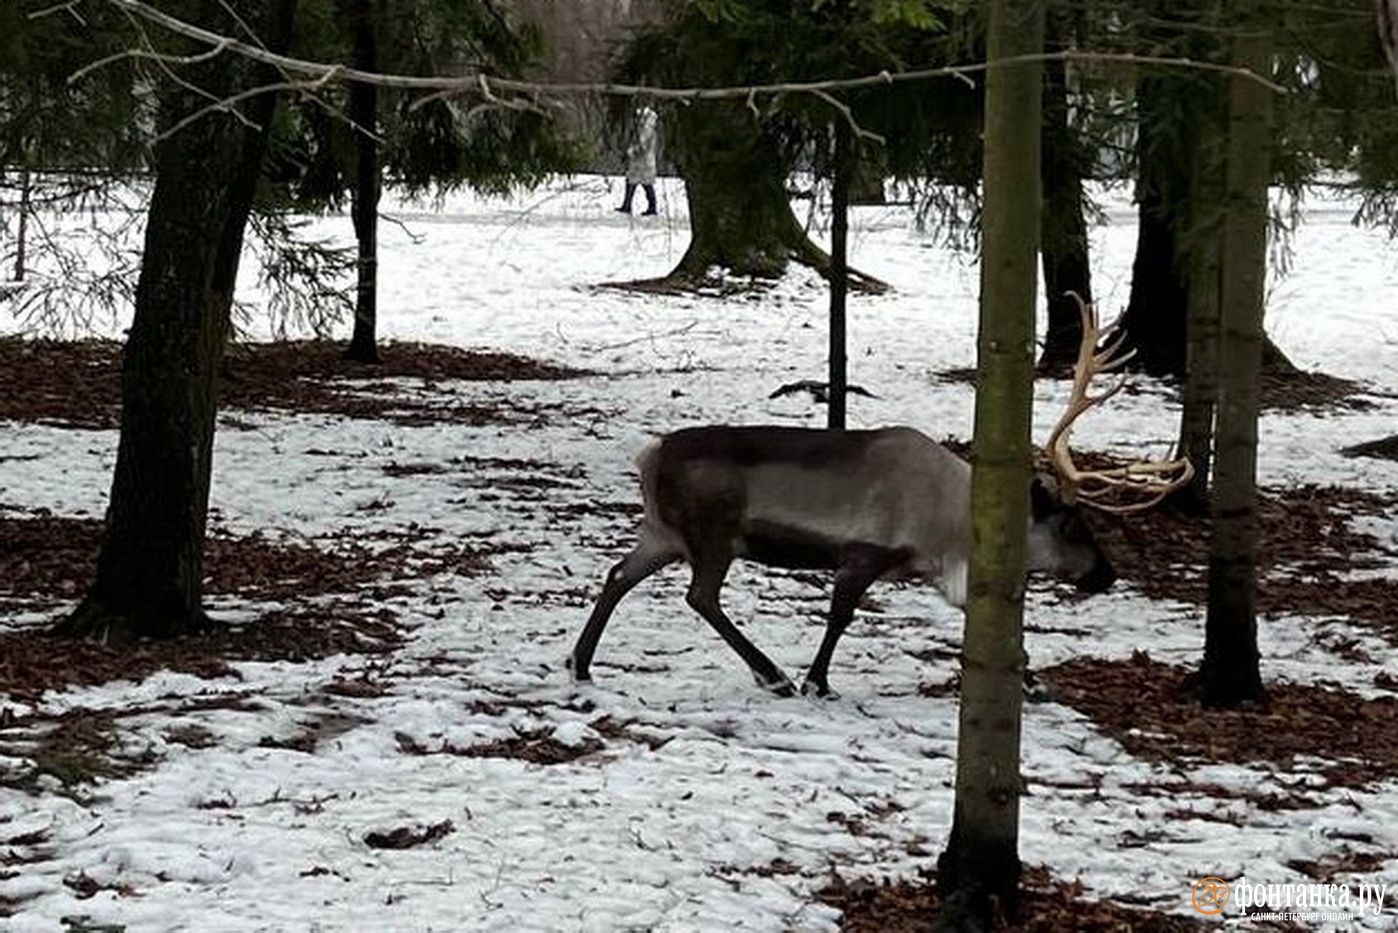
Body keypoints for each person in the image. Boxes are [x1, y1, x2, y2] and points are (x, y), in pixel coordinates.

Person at [616, 104, 659, 215]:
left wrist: (630, 152)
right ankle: (628, 204)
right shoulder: (643, 127)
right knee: (633, 181)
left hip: (644, 161)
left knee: (645, 183)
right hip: (640, 160)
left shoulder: (647, 128)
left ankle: (651, 207)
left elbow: (642, 145)